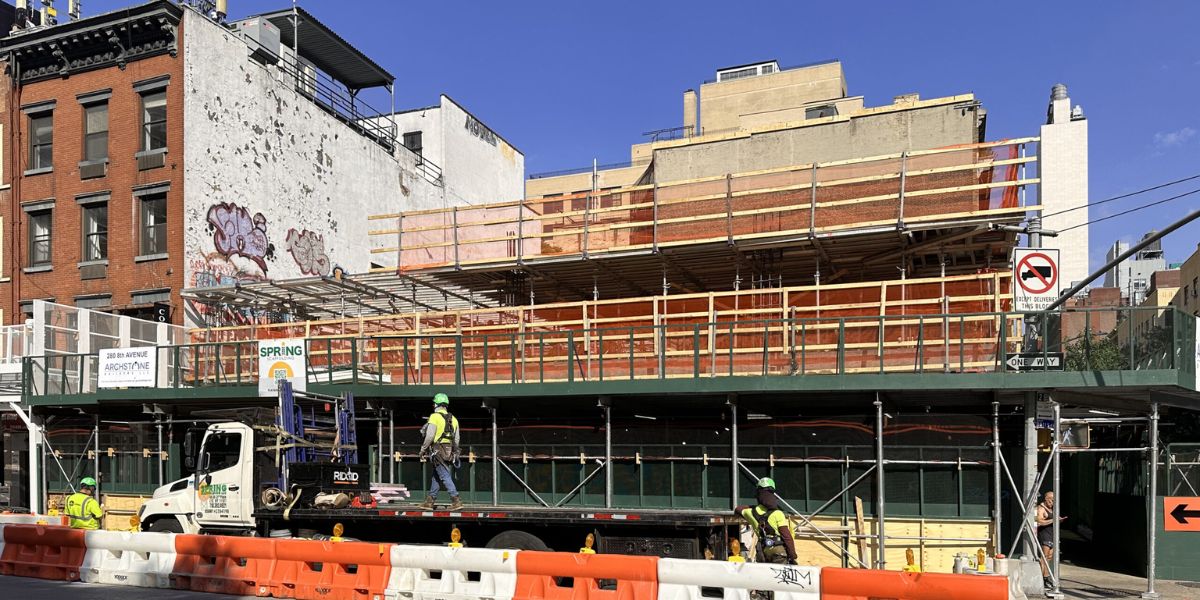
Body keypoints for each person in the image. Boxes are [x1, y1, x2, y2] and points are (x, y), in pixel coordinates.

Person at [735, 477, 798, 565]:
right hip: (778, 552)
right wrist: (792, 555)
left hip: (762, 551)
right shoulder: (778, 513)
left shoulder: (751, 513)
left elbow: (738, 509)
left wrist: (754, 507)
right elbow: (786, 536)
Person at [418, 393, 462, 510]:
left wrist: (422, 450)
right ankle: (430, 501)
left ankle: (456, 500)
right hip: (449, 451)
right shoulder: (454, 419)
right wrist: (455, 452)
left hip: (437, 450)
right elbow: (456, 439)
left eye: (434, 403)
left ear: (437, 404)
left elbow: (430, 436)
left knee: (444, 475)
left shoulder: (434, 417)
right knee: (437, 475)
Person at [1035, 491, 1066, 590]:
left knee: (1049, 558)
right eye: (1051, 500)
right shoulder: (1041, 508)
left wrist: (1059, 519)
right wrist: (1053, 520)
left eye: (1054, 501)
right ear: (1046, 498)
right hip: (1045, 536)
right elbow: (1039, 521)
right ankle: (1042, 579)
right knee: (1044, 558)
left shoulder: (1051, 509)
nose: (1052, 503)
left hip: (1052, 536)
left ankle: (1046, 577)